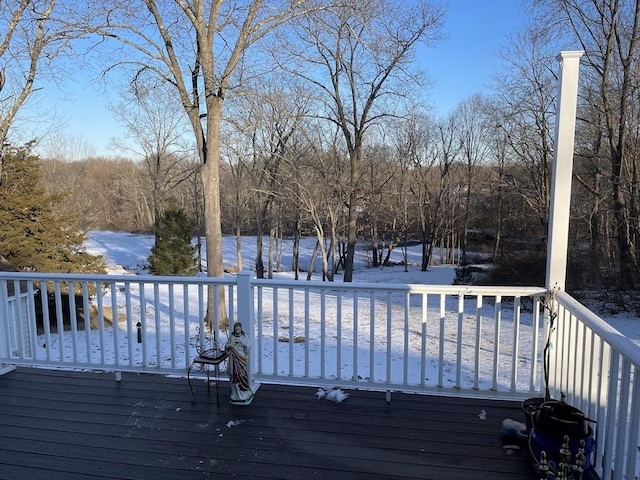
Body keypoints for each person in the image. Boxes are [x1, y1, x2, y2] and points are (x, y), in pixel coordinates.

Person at [225, 322, 253, 404]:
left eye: (239, 329)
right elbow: (226, 346)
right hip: (233, 357)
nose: (238, 331)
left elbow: (249, 345)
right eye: (236, 329)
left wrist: (244, 345)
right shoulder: (232, 336)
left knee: (242, 375)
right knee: (234, 375)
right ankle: (235, 393)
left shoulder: (244, 336)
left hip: (242, 357)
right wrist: (230, 345)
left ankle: (243, 392)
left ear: (241, 329)